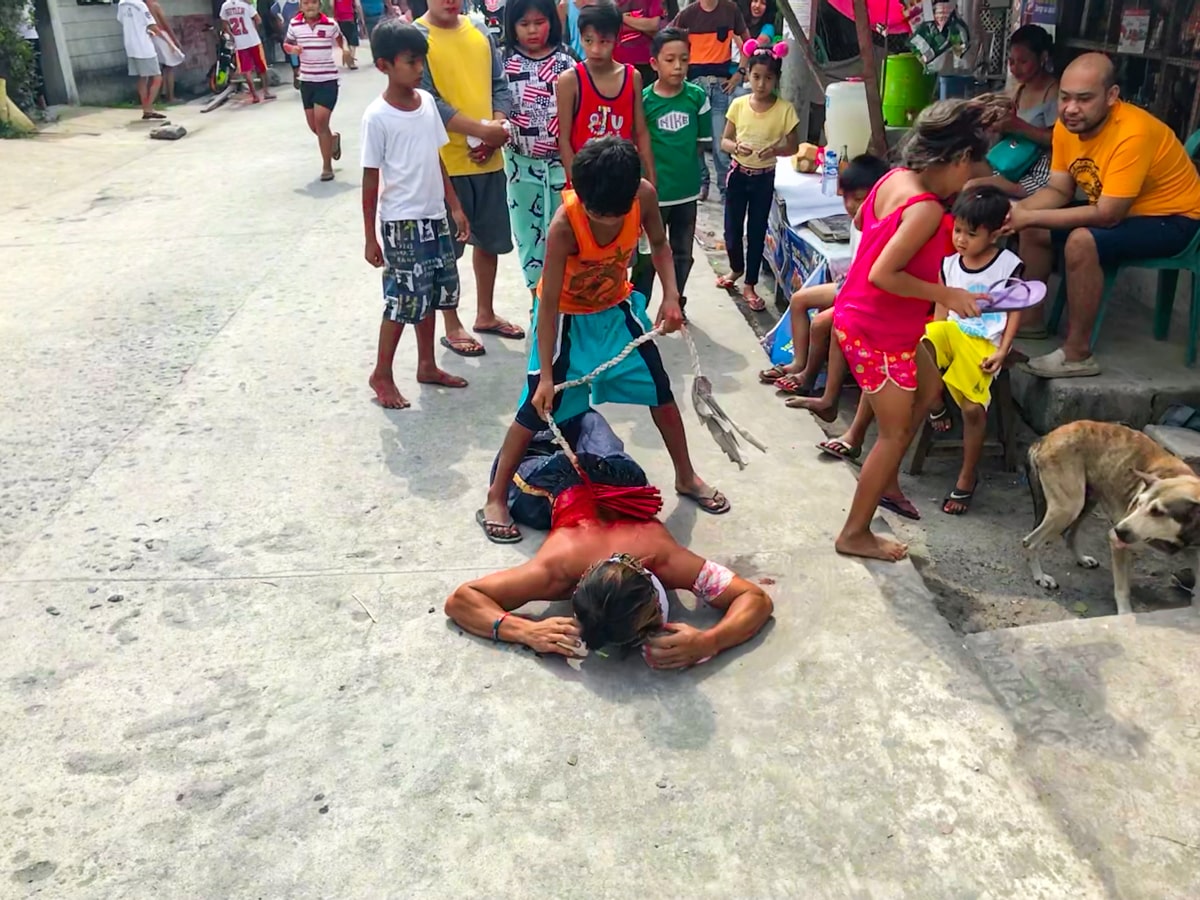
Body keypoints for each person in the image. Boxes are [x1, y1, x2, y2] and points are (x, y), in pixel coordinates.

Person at [478, 137, 728, 543]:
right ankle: (495, 496)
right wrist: (544, 373)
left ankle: (686, 475)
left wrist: (670, 296)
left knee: (661, 391)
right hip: (567, 322)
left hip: (615, 311)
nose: (607, 220)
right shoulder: (564, 225)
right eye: (597, 212)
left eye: (615, 213)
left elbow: (661, 246)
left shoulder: (644, 196)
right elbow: (549, 303)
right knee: (538, 406)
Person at [831, 96, 1006, 561]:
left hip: (880, 322)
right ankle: (855, 532)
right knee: (893, 435)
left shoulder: (894, 179)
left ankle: (883, 481)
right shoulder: (926, 208)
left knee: (926, 394)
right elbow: (882, 275)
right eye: (972, 167)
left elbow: (864, 223)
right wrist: (947, 295)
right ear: (957, 158)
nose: (972, 179)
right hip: (874, 328)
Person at [447, 419, 773, 665]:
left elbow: (755, 599)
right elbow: (461, 600)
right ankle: (547, 412)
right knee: (563, 423)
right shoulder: (560, 568)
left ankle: (552, 411)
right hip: (574, 479)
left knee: (579, 420)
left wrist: (710, 642)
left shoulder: (661, 557)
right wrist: (522, 631)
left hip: (602, 475)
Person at [1009, 52, 1200, 377]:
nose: (1070, 108)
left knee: (1082, 241)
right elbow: (1058, 190)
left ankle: (1077, 354)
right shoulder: (1065, 128)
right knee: (1034, 229)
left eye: (1084, 99)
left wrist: (1029, 216)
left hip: (1177, 220)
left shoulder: (1133, 132)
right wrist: (1017, 213)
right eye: (1065, 98)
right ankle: (1030, 322)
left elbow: (1107, 215)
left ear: (1112, 96)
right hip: (1123, 212)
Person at [362, 20, 470, 409]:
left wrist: (454, 206)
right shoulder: (377, 117)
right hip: (401, 223)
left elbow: (436, 157)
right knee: (402, 301)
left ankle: (427, 364)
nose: (419, 69)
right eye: (410, 62)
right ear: (384, 65)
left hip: (434, 217)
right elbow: (370, 179)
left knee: (436, 293)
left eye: (421, 61)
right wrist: (370, 235)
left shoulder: (426, 104)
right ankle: (382, 374)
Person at [416, 0, 527, 357]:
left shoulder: (479, 29)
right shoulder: (417, 36)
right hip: (445, 164)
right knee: (447, 252)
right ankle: (452, 324)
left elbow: (499, 85)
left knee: (489, 242)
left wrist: (496, 128)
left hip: (488, 158)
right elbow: (429, 101)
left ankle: (485, 312)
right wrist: (482, 129)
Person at [923, 187, 1023, 514]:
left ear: (994, 234)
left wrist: (1003, 351)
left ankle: (967, 476)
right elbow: (941, 309)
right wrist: (935, 340)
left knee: (972, 411)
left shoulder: (1008, 265)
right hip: (951, 333)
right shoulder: (949, 264)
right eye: (957, 230)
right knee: (921, 346)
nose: (961, 239)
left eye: (971, 233)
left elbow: (1014, 313)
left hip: (983, 343)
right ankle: (936, 402)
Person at [759, 154, 890, 394]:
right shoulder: (857, 223)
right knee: (799, 299)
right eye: (846, 198)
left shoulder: (884, 227)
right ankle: (799, 362)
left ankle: (808, 377)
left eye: (859, 199)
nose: (851, 206)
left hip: (870, 295)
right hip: (852, 286)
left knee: (821, 322)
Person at [501, 0, 575, 301]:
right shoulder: (503, 63)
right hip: (520, 165)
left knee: (564, 232)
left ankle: (566, 300)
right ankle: (537, 300)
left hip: (560, 163)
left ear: (552, 22)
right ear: (512, 26)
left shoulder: (566, 62)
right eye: (524, 24)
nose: (532, 30)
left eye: (539, 22)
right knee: (528, 236)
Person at [632, 27, 709, 310]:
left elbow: (700, 145)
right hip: (653, 194)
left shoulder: (697, 98)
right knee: (645, 255)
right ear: (654, 63)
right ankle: (637, 309)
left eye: (684, 59)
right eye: (670, 59)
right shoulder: (644, 101)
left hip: (686, 193)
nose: (678, 66)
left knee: (682, 255)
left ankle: (675, 303)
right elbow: (639, 143)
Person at [717, 47, 798, 310]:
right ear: (748, 76)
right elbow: (724, 141)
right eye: (756, 76)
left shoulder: (785, 110)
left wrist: (776, 150)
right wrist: (736, 148)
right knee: (731, 230)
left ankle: (750, 284)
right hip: (738, 175)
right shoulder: (739, 104)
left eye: (768, 78)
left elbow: (793, 148)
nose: (762, 84)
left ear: (776, 80)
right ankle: (736, 270)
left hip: (764, 178)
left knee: (756, 232)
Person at [555, 0, 655, 184]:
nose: (595, 49)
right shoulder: (570, 80)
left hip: (622, 179)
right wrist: (577, 185)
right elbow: (564, 140)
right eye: (588, 40)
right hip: (586, 181)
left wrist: (651, 177)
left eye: (604, 41)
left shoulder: (632, 77)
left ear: (617, 38)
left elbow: (640, 131)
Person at [966, 24, 1057, 199]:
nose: (1015, 68)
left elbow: (1059, 140)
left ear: (1043, 57)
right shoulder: (1018, 90)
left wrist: (1019, 127)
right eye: (1011, 62)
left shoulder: (1054, 94)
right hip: (1008, 163)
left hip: (1034, 174)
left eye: (1023, 62)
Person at [673, 0, 750, 202]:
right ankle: (702, 183)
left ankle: (725, 189)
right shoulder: (688, 14)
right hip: (695, 85)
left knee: (720, 143)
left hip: (720, 85)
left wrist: (740, 72)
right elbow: (669, 40)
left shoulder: (730, 10)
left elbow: (748, 43)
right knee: (695, 140)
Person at [284, 0, 346, 181]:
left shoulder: (330, 24)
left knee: (321, 122)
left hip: (327, 80)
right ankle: (332, 139)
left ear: (319, 5)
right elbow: (286, 43)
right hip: (307, 81)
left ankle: (327, 167)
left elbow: (341, 38)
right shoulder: (294, 24)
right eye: (306, 3)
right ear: (301, 6)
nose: (310, 6)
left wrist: (346, 50)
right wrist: (292, 49)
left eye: (313, 2)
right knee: (315, 127)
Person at [117, 0, 165, 119]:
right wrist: (169, 43)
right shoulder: (140, 5)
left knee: (142, 77)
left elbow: (121, 20)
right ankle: (148, 108)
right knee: (157, 77)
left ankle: (146, 107)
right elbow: (153, 26)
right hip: (144, 46)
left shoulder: (121, 3)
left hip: (130, 46)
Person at [220, 0, 275, 102]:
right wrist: (253, 28)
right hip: (253, 40)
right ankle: (266, 92)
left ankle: (254, 96)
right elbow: (258, 20)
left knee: (246, 70)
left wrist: (232, 36)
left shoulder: (225, 6)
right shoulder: (246, 4)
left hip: (240, 43)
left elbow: (224, 25)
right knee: (261, 67)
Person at [614, 0, 663, 87]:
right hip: (615, 62)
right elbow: (607, 24)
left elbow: (654, 26)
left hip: (645, 63)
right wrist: (641, 25)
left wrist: (621, 18)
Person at [145, 0, 186, 103]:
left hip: (149, 37)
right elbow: (165, 25)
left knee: (155, 70)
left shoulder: (143, 6)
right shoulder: (155, 6)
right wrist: (174, 40)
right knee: (169, 67)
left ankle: (154, 98)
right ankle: (170, 97)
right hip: (161, 36)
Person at [17, 1, 47, 111]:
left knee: (35, 72)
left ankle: (41, 105)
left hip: (28, 38)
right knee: (28, 73)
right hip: (21, 39)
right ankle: (35, 105)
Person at [271, 0, 302, 87]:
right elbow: (273, 11)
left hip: (303, 34)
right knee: (294, 58)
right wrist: (279, 22)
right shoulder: (281, 2)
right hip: (289, 37)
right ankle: (296, 74)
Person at [333, 0, 365, 67]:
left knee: (344, 39)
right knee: (353, 40)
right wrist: (362, 18)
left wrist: (334, 15)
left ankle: (346, 54)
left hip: (339, 19)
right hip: (350, 17)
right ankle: (351, 61)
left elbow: (331, 4)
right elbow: (358, 5)